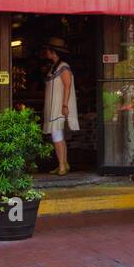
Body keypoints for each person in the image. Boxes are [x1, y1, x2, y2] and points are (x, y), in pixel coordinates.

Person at [42, 37, 79, 175]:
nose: (46, 52)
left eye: (48, 50)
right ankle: (63, 163)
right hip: (54, 106)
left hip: (58, 106)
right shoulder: (55, 66)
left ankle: (62, 165)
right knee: (58, 136)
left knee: (57, 136)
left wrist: (64, 105)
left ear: (53, 51)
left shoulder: (63, 67)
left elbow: (67, 86)